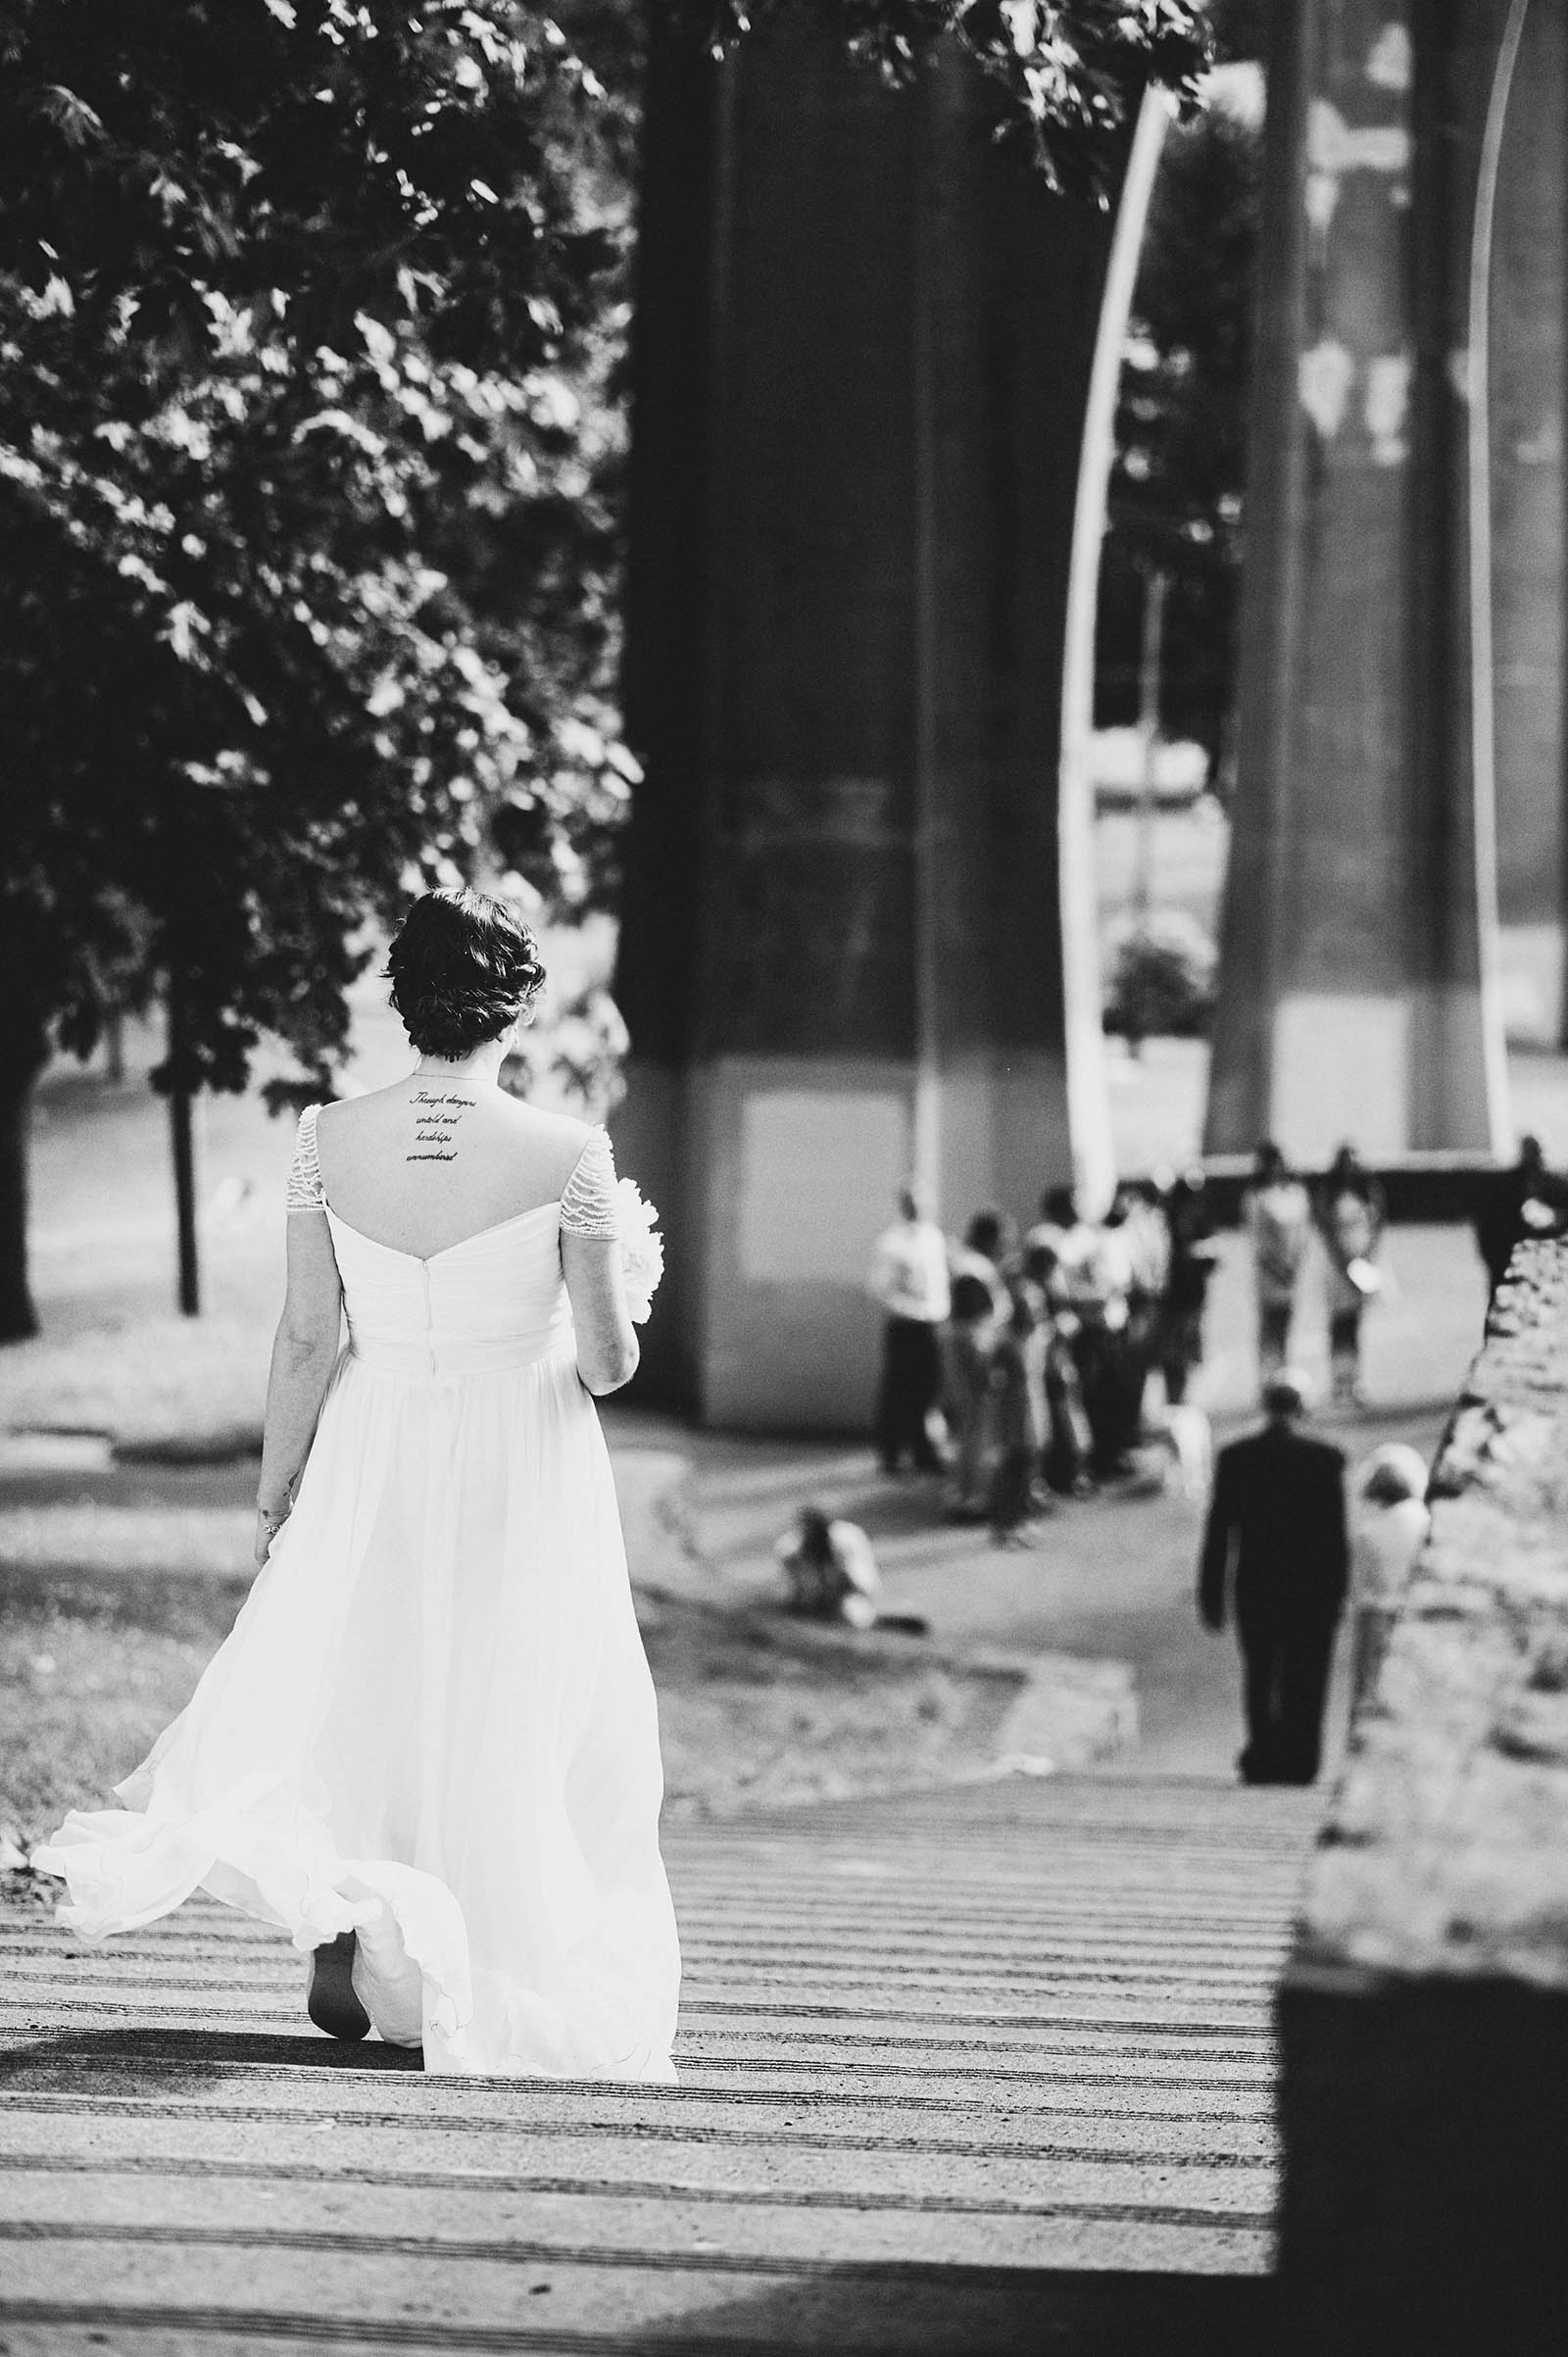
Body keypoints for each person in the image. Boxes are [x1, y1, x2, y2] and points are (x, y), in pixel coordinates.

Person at [36, 887, 681, 2079]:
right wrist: (624, 1285)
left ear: (401, 1000)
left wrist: (281, 1493)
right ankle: (475, 1957)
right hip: (517, 1461)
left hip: (373, 1440)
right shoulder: (568, 1153)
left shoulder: (325, 1137)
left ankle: (352, 1913)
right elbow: (600, 1365)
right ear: (519, 1002)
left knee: (368, 1680)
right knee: (506, 1703)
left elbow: (301, 1336)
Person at [1198, 1369, 1348, 1786]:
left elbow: (1220, 1531)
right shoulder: (1325, 1459)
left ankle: (1263, 1755)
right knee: (1306, 1675)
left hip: (1256, 1584)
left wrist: (1211, 1593)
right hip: (1311, 1588)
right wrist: (1338, 1593)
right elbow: (1335, 1537)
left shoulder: (1237, 1458)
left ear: (1266, 1407)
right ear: (1303, 1408)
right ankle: (1300, 1761)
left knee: (1261, 1672)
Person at [867, 1182, 951, 1475]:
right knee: (897, 1390)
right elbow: (881, 1289)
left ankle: (922, 1451)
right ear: (903, 1205)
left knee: (927, 1389)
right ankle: (890, 1453)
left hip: (932, 1323)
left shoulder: (933, 1238)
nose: (918, 1207)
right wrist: (912, 1311)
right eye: (913, 1202)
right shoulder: (892, 1243)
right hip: (905, 1325)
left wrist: (940, 1312)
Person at [1348, 1444, 1429, 1711]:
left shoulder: (1368, 1533)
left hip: (1375, 1616)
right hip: (1416, 1613)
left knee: (1369, 1690)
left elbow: (1359, 1586)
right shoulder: (1425, 1521)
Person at [944, 1210, 1008, 1520]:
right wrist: (983, 1363)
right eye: (1003, 1237)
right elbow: (971, 1321)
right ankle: (971, 1497)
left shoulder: (970, 1263)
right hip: (975, 1356)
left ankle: (968, 1494)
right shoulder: (973, 1268)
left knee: (972, 1428)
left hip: (972, 1353)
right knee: (975, 1428)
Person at [775, 1507, 929, 1635]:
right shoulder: (789, 1550)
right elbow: (792, 1589)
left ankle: (882, 1622)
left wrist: (839, 1579)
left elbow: (864, 1586)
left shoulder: (845, 1541)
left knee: (853, 1616)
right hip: (811, 1600)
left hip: (847, 1598)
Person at [1315, 1144, 1386, 1409]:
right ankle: (1338, 1381)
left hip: (1361, 1263)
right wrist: (1345, 1263)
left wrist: (1365, 1259)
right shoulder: (1330, 1194)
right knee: (1338, 1324)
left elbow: (1377, 1226)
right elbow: (1327, 1231)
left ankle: (1354, 1381)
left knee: (1354, 1325)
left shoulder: (1367, 1192)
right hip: (1337, 1266)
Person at [1242, 1143, 1312, 1390]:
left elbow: (1304, 1233)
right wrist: (1278, 1268)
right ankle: (1267, 1380)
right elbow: (1258, 1240)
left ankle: (1283, 1377)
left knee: (1285, 1325)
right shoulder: (1257, 1196)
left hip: (1292, 1270)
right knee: (1269, 1324)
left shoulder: (1295, 1193)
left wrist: (1295, 1264)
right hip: (1270, 1272)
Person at [987, 1282, 1051, 1547]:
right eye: (1028, 1306)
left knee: (1030, 1467)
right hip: (1014, 1410)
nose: (1033, 1311)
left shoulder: (1040, 1336)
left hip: (1036, 1406)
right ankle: (1004, 1525)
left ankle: (1022, 1519)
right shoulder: (1006, 1342)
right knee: (1013, 1467)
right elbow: (991, 1378)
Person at [1471, 1134, 1568, 1298]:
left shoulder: (1554, 1187)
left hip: (1536, 1262)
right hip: (1510, 1258)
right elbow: (1489, 1226)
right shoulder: (1504, 1189)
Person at [1154, 1169, 1220, 1405]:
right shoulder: (1166, 1218)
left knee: (1184, 1353)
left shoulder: (1199, 1217)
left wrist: (1202, 1256)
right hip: (1171, 1296)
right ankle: (1174, 1402)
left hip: (1192, 1294)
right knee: (1172, 1354)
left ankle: (1179, 1401)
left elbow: (1212, 1257)